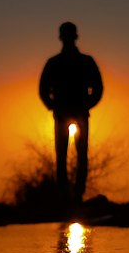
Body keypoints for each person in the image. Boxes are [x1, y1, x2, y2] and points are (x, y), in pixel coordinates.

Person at [38, 22, 104, 200]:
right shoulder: (55, 63)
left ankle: (77, 195)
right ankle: (65, 196)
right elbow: (43, 88)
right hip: (63, 115)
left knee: (80, 154)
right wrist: (53, 106)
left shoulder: (84, 61)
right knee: (63, 155)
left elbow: (98, 88)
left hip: (79, 114)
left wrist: (87, 106)